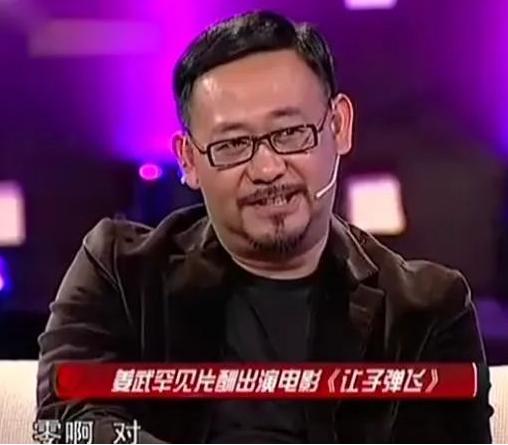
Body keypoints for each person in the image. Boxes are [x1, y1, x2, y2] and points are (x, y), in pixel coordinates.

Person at [37, 10, 493, 443]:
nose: (267, 169)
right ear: (189, 160)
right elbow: (67, 426)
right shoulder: (120, 273)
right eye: (233, 144)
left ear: (339, 126)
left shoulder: (426, 309)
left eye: (290, 133)